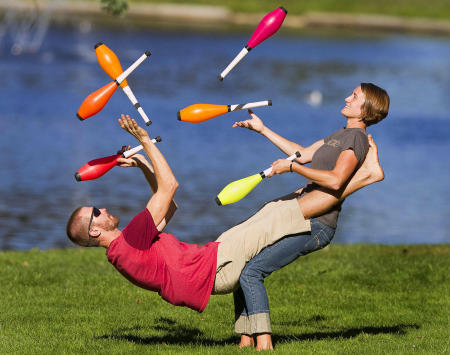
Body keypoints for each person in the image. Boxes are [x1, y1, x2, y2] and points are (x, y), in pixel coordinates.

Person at [66, 112, 384, 316]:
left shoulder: (126, 250)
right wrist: (146, 143)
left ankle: (365, 178)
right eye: (96, 212)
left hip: (210, 267)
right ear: (94, 231)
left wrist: (142, 165)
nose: (103, 208)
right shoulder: (131, 239)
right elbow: (171, 186)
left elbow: (169, 205)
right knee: (280, 212)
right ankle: (366, 178)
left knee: (275, 212)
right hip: (214, 264)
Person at [231, 83, 390, 350]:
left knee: (251, 271)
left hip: (316, 223)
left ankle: (264, 343)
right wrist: (263, 130)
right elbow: (302, 153)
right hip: (303, 213)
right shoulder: (341, 134)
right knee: (243, 260)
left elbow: (336, 180)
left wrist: (292, 168)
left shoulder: (356, 139)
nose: (346, 98)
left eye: (354, 96)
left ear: (366, 109)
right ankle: (245, 341)